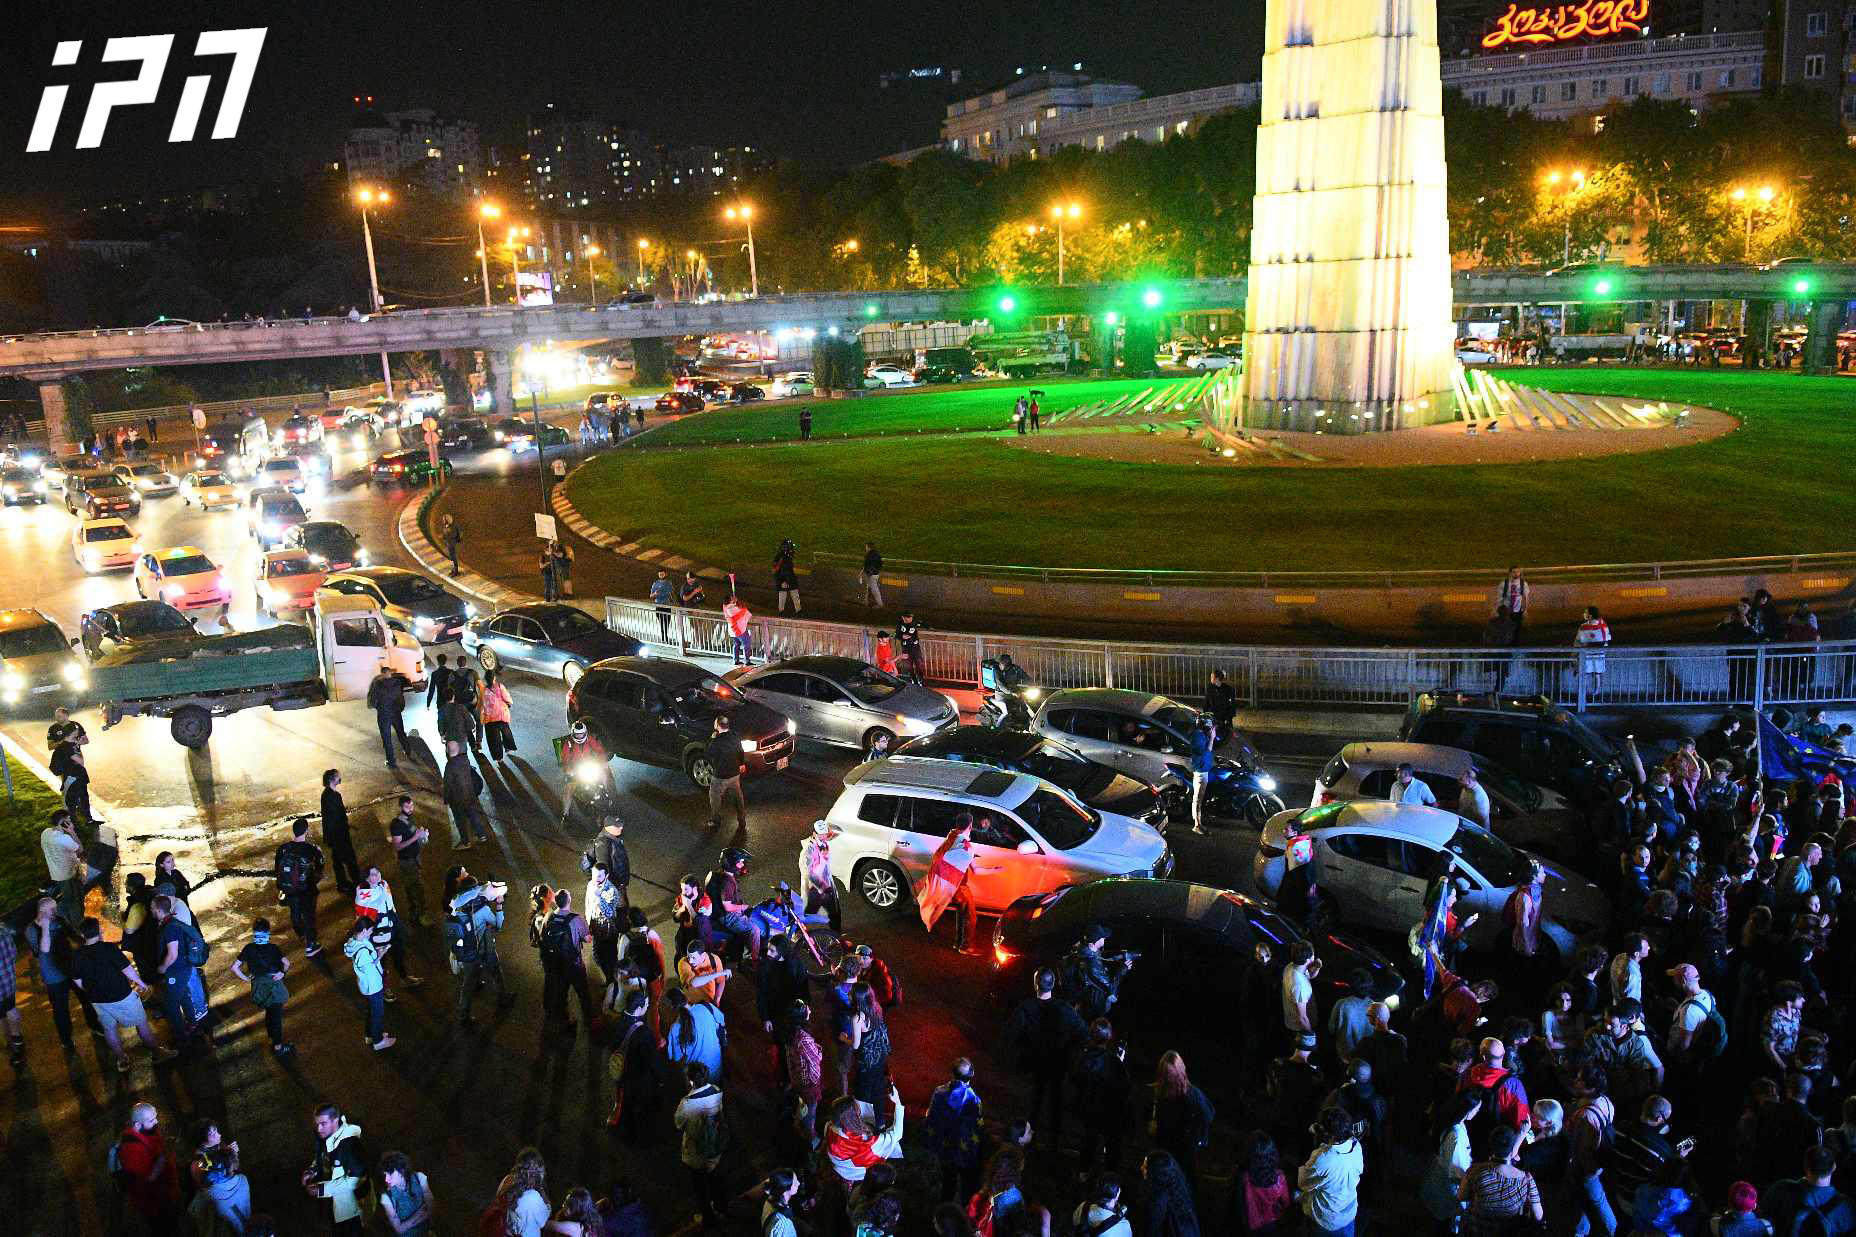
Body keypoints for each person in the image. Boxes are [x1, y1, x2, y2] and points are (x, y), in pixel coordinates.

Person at [71, 915, 174, 1071]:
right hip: (122, 995)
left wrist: (89, 991)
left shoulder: (78, 955)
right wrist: (141, 983)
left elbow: (77, 980)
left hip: (97, 1000)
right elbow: (127, 969)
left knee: (109, 1030)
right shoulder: (109, 949)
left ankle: (122, 1060)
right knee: (142, 1024)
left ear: (82, 934)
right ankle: (157, 1053)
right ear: (99, 931)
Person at [1005, 967, 1085, 1150]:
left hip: (1035, 1064)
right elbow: (1082, 1032)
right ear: (1053, 984)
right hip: (1058, 1064)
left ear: (1036, 985)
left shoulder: (1025, 1008)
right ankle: (1054, 1143)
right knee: (1056, 1101)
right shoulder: (1064, 1008)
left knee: (1034, 1102)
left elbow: (1010, 1034)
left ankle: (1029, 1140)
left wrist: (1021, 1052)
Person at [917, 815, 991, 953]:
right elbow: (975, 870)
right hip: (959, 887)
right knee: (970, 916)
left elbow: (947, 857)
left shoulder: (952, 837)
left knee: (962, 914)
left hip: (955, 886)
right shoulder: (965, 847)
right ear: (970, 826)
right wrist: (995, 869)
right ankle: (966, 946)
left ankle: (959, 944)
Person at [1460, 1126, 1544, 1237]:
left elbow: (1461, 1196)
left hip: (1478, 1230)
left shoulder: (1475, 1171)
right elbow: (1538, 1216)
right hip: (1509, 1232)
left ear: (1491, 1145)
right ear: (1512, 1149)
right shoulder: (1526, 1179)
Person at [674, 1061, 729, 1229]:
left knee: (700, 1188)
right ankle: (722, 1207)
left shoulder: (686, 1104)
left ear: (691, 1081)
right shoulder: (717, 1091)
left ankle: (708, 1217)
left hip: (695, 1153)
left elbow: (678, 1124)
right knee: (716, 1180)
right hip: (715, 1148)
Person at [303, 1103, 373, 1233]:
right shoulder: (326, 1135)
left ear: (335, 1120)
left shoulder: (350, 1145)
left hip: (350, 1210)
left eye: (323, 1123)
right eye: (316, 1124)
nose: (319, 1129)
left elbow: (355, 1181)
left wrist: (322, 1189)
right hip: (334, 1204)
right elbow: (322, 1156)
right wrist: (313, 1170)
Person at [452, 876, 513, 1024]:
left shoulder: (455, 905)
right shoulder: (483, 909)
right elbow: (498, 925)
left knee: (467, 984)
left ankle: (463, 1015)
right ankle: (503, 997)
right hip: (484, 947)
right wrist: (499, 906)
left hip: (466, 951)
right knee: (495, 971)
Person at [229, 916, 294, 1056]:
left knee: (269, 1012)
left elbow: (234, 967)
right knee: (276, 1017)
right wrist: (282, 973)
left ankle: (272, 1037)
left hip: (258, 987)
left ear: (254, 932)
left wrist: (247, 978)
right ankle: (278, 1047)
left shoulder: (249, 948)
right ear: (268, 932)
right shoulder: (273, 948)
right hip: (274, 985)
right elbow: (287, 963)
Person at [1153, 1051, 1217, 1189]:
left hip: (1183, 1151)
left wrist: (1198, 1139)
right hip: (1168, 1148)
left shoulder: (1192, 1097)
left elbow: (1209, 1113)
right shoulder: (1164, 1093)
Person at [926, 1057, 986, 1204]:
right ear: (972, 1075)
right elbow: (976, 1128)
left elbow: (931, 1117)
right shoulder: (974, 1100)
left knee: (943, 1179)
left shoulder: (939, 1092)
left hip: (940, 1146)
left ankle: (939, 1204)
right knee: (957, 1182)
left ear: (952, 1074)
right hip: (960, 1150)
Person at [117, 1103, 183, 1234]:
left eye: (155, 1117)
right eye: (152, 1120)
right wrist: (164, 1155)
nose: (156, 1121)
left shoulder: (147, 1130)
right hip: (155, 1204)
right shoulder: (131, 1150)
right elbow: (148, 1179)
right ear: (137, 1125)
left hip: (166, 1192)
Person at [1299, 1107, 1365, 1237]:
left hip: (1326, 1221)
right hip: (1348, 1215)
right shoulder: (1356, 1146)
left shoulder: (1323, 1158)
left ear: (1329, 1134)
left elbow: (1303, 1183)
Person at [539, 888, 597, 1035]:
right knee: (583, 992)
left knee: (561, 993)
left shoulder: (549, 916)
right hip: (574, 964)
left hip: (556, 965)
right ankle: (589, 1020)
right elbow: (587, 939)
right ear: (569, 901)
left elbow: (542, 937)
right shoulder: (576, 919)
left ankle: (565, 1021)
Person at [151, 895, 207, 1047]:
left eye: (152, 908)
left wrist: (162, 968)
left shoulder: (170, 928)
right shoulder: (170, 922)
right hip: (182, 968)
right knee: (183, 996)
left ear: (158, 910)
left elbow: (172, 953)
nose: (150, 910)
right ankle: (193, 1025)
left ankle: (181, 1037)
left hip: (177, 970)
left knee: (170, 1005)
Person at [1764, 1147, 1855, 1237]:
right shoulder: (1846, 1206)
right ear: (1834, 1167)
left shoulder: (1780, 1189)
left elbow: (1762, 1221)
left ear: (1806, 1167)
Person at [1421, 1093, 1481, 1224]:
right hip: (1448, 1185)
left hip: (1438, 1176)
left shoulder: (1450, 1121)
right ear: (1467, 1110)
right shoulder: (1456, 1135)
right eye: (1476, 1109)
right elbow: (1457, 1171)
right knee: (1443, 1217)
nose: (1478, 1112)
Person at [189, 1119, 252, 1235]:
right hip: (219, 1203)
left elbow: (233, 1169)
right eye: (212, 1133)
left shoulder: (220, 1147)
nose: (219, 1135)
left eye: (217, 1131)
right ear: (202, 1139)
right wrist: (229, 1158)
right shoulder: (199, 1162)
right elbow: (206, 1188)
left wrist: (233, 1155)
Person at [274, 816, 325, 957]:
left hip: (290, 889)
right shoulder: (312, 850)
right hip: (307, 890)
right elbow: (319, 869)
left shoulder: (283, 849)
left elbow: (277, 869)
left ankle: (301, 934)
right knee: (309, 916)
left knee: (295, 914)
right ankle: (311, 944)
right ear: (306, 831)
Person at [342, 916, 395, 1050]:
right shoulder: (363, 951)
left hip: (365, 985)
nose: (372, 932)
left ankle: (370, 1035)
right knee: (377, 1013)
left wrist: (377, 952)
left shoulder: (354, 942)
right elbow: (371, 967)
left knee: (371, 1011)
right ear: (364, 930)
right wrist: (381, 954)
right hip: (373, 986)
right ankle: (378, 1041)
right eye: (370, 930)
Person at [488, 1147, 550, 1237]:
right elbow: (543, 1221)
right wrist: (547, 1204)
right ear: (537, 1171)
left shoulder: (507, 1180)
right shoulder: (533, 1196)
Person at [443, 737, 491, 848]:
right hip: (469, 794)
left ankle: (465, 842)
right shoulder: (465, 760)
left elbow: (448, 785)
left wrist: (446, 798)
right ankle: (481, 834)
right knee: (473, 814)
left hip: (457, 799)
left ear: (447, 751)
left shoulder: (449, 766)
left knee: (460, 820)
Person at [1143, 1149, 1202, 1237]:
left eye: (1145, 1166)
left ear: (1155, 1170)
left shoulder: (1160, 1198)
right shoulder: (1179, 1190)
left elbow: (1153, 1230)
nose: (1142, 1168)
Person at [320, 769, 360, 894]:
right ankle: (357, 881)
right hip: (339, 835)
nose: (340, 778)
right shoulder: (332, 796)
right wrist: (343, 828)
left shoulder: (328, 795)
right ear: (332, 779)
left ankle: (342, 883)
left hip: (335, 834)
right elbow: (333, 818)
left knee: (337, 859)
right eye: (338, 776)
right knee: (349, 858)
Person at [366, 663, 412, 770]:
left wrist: (378, 707)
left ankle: (391, 761)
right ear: (390, 673)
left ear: (382, 674)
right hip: (396, 712)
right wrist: (399, 708)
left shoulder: (377, 684)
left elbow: (372, 701)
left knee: (387, 738)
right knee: (401, 732)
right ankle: (407, 749)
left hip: (384, 714)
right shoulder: (397, 683)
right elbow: (401, 698)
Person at [704, 716, 748, 830]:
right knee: (737, 795)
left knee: (714, 796)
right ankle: (742, 819)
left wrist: (712, 738)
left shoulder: (717, 741)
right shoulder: (735, 736)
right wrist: (742, 763)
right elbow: (740, 750)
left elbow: (708, 754)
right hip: (735, 773)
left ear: (717, 725)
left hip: (721, 775)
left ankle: (716, 820)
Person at [50, 721, 96, 825]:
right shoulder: (65, 747)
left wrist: (77, 742)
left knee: (84, 798)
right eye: (76, 730)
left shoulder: (73, 742)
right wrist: (78, 746)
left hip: (80, 776)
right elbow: (81, 761)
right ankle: (71, 823)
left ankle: (89, 820)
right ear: (71, 732)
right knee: (70, 802)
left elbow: (85, 742)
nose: (78, 731)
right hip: (71, 778)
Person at [801, 820, 843, 933]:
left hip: (825, 884)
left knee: (834, 911)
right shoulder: (809, 849)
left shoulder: (823, 843)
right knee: (808, 912)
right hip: (816, 887)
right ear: (814, 833)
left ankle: (836, 933)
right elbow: (808, 872)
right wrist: (823, 887)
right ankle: (797, 931)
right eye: (821, 834)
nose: (824, 836)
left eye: (825, 833)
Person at [378, 1151, 434, 1236]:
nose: (386, 1179)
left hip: (425, 1231)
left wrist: (407, 1224)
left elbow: (432, 1208)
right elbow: (399, 1229)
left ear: (401, 1170)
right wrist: (419, 1213)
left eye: (390, 1174)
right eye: (385, 1174)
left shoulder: (419, 1178)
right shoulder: (386, 1196)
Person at [1188, 716, 1216, 834]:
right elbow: (1204, 752)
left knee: (1200, 798)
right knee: (1198, 799)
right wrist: (1212, 738)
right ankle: (1197, 825)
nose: (1211, 728)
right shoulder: (1197, 736)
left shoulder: (1201, 734)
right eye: (1210, 725)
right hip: (1200, 772)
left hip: (1205, 770)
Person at [481, 668, 516, 761]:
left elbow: (483, 705)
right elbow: (508, 698)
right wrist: (508, 703)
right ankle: (508, 747)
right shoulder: (500, 686)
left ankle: (498, 758)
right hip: (502, 715)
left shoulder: (484, 690)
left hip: (491, 718)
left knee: (494, 738)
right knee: (506, 731)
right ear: (494, 678)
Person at [1577, 606, 1612, 693]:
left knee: (1586, 672)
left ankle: (1584, 692)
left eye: (1586, 612)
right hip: (1599, 653)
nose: (1584, 614)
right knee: (1597, 673)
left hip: (1587, 653)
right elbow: (1606, 638)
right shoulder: (1603, 625)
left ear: (1590, 615)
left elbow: (1580, 639)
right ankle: (1595, 692)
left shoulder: (1583, 627)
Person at [1499, 566, 1530, 639]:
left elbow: (1526, 598)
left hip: (1518, 611)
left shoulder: (1523, 584)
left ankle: (1515, 642)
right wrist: (1498, 610)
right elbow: (1499, 598)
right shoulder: (1504, 584)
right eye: (1514, 572)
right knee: (1506, 629)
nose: (1516, 573)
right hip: (1506, 611)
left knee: (1517, 630)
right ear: (1510, 573)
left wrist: (1525, 610)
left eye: (1518, 572)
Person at [773, 538, 802, 613]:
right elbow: (777, 569)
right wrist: (783, 580)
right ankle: (782, 611)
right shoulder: (782, 557)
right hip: (784, 578)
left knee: (794, 593)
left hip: (789, 578)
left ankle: (797, 610)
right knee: (784, 595)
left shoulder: (786, 556)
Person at [896, 610, 925, 684]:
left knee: (919, 664)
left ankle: (920, 679)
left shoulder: (914, 622)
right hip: (906, 648)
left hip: (915, 647)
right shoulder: (900, 624)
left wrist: (929, 627)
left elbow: (922, 623)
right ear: (903, 617)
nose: (910, 619)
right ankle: (913, 680)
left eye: (911, 617)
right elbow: (895, 634)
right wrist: (902, 636)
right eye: (908, 617)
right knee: (909, 665)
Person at [723, 593, 752, 664]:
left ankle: (736, 660)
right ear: (730, 600)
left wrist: (736, 602)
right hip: (739, 629)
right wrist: (738, 603)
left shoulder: (726, 607)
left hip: (733, 630)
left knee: (736, 644)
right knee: (747, 644)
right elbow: (744, 611)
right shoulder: (731, 608)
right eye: (732, 598)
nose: (734, 598)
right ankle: (747, 661)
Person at [650, 568, 676, 642]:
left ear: (666, 574)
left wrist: (673, 601)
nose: (661, 575)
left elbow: (671, 593)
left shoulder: (669, 583)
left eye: (662, 574)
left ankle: (665, 636)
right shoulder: (655, 584)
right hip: (659, 605)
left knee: (667, 621)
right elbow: (651, 596)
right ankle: (663, 636)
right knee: (662, 622)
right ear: (658, 575)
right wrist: (655, 594)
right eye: (660, 574)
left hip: (667, 605)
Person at [861, 541, 884, 607]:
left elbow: (866, 565)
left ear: (869, 547)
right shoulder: (877, 554)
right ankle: (866, 601)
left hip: (871, 575)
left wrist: (868, 572)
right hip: (876, 574)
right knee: (869, 588)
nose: (865, 548)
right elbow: (880, 564)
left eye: (866, 547)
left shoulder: (868, 555)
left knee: (874, 590)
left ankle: (880, 604)